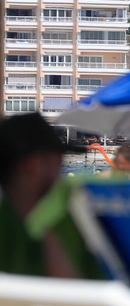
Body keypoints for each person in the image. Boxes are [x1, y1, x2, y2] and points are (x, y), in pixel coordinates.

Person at [0, 113, 87, 278]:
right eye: (59, 164)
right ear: (33, 166)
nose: (60, 176)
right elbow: (70, 289)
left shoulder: (12, 219)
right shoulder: (60, 220)